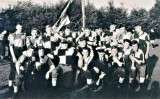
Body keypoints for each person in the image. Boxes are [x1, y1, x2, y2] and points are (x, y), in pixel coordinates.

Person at [8, 23, 26, 94]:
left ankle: (20, 85)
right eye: (19, 27)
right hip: (15, 51)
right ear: (16, 27)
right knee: (13, 69)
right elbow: (11, 47)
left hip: (21, 52)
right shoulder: (13, 35)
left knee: (21, 68)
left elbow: (24, 46)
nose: (20, 28)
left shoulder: (23, 35)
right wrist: (13, 57)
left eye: (21, 27)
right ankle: (10, 87)